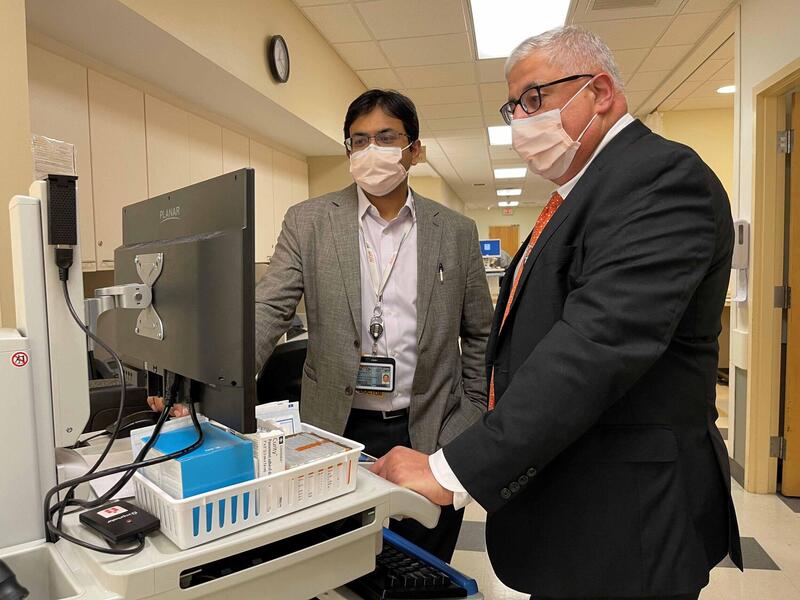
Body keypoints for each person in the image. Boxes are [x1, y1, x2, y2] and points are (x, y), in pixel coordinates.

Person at [371, 26, 742, 599]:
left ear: (601, 93)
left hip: (625, 518)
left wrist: (451, 469)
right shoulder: (581, 196)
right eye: (513, 106)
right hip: (571, 503)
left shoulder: (658, 178)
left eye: (535, 99)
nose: (521, 120)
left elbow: (595, 347)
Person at [151, 89, 493, 562]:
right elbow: (269, 311)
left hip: (431, 429)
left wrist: (470, 412)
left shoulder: (454, 230)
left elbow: (479, 332)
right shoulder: (310, 221)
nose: (371, 150)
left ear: (415, 150)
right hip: (334, 431)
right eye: (359, 140)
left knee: (422, 569)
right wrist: (207, 379)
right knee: (336, 566)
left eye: (386, 137)